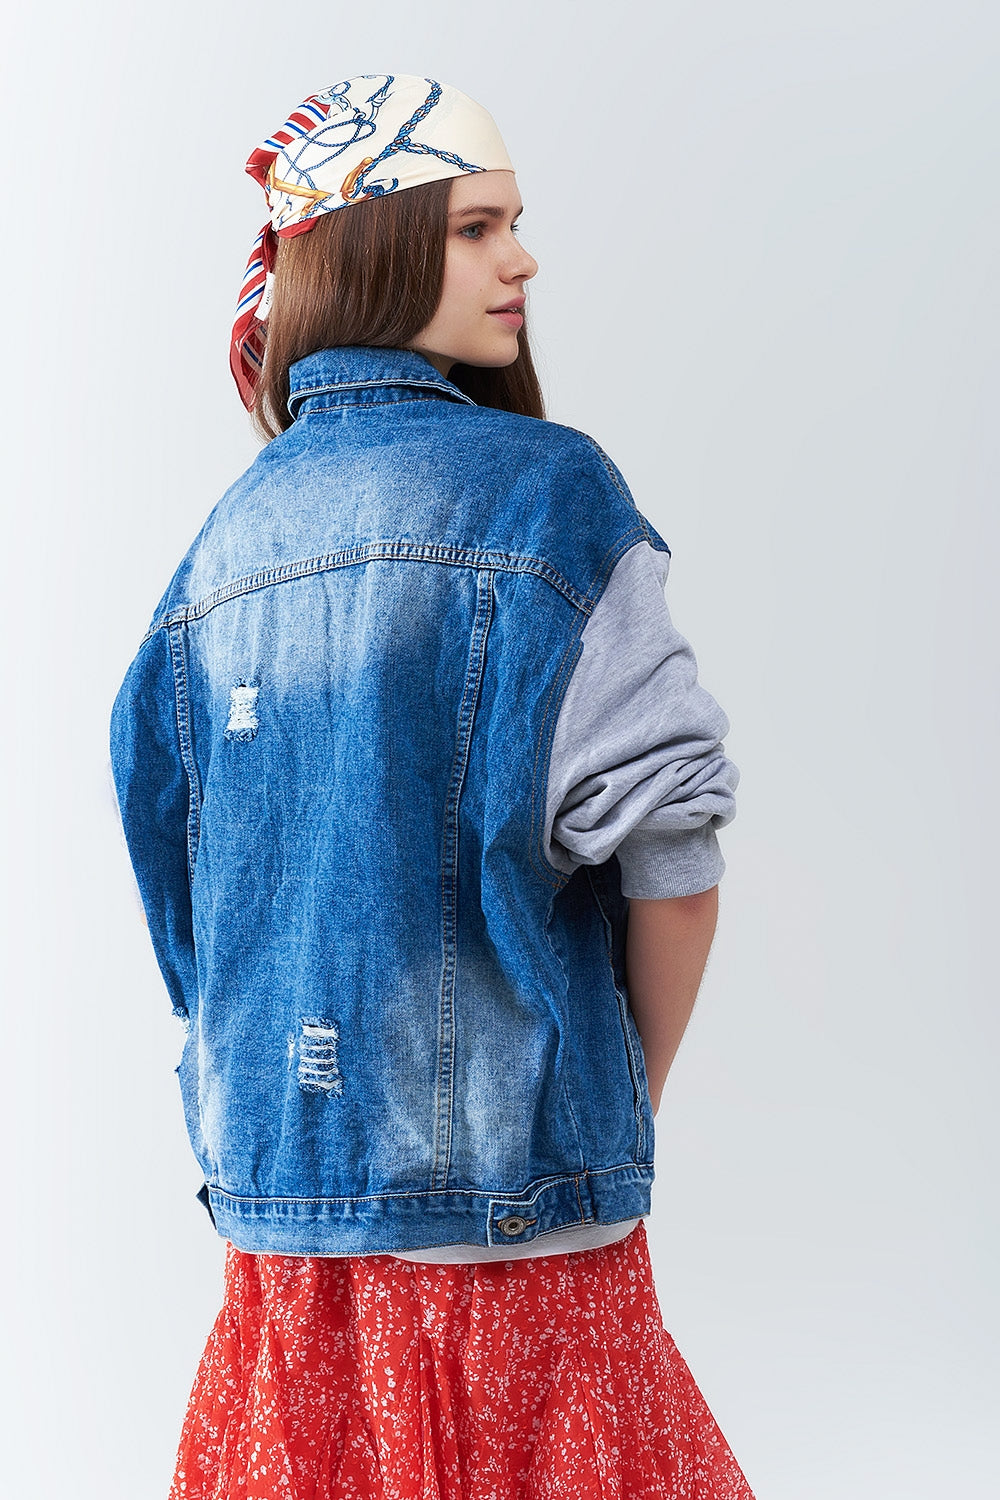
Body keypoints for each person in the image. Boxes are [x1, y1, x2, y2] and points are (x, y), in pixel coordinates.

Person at [110, 73, 756, 1500]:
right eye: (476, 227)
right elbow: (678, 858)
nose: (522, 260)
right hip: (523, 1251)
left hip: (285, 1251)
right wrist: (610, 1092)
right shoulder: (549, 494)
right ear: (375, 245)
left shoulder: (219, 550)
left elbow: (180, 906)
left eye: (516, 224)